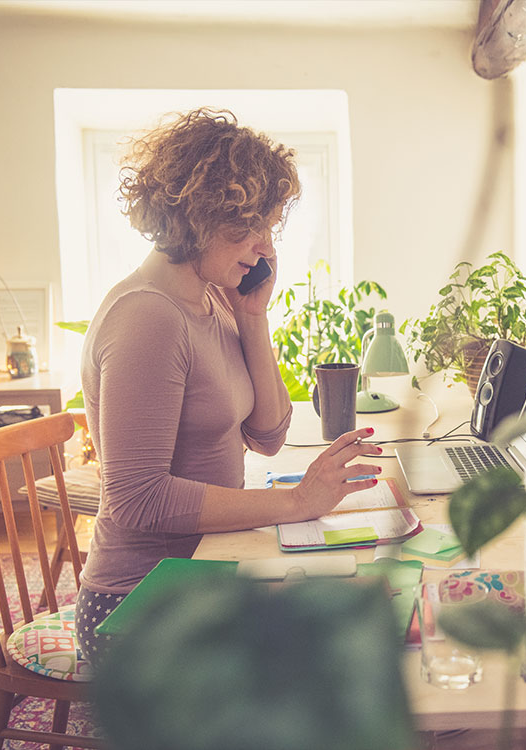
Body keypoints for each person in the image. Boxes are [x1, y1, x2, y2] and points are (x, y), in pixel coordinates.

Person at [75, 108, 382, 664]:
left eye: (269, 225)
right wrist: (293, 502)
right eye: (252, 225)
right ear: (198, 216)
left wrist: (254, 318)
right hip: (140, 605)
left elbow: (268, 435)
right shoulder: (148, 317)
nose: (265, 246)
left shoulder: (215, 298)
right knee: (344, 658)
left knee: (366, 607)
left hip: (205, 575)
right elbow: (136, 498)